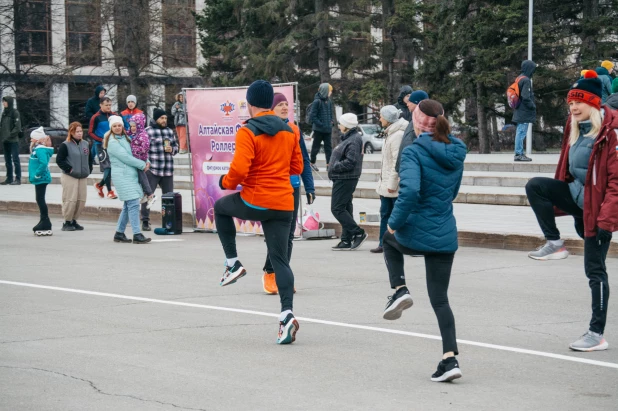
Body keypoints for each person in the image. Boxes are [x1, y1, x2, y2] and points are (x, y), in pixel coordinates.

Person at [525, 70, 618, 352]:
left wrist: (606, 221)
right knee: (536, 186)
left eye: (578, 102)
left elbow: (616, 182)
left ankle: (596, 333)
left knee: (595, 272)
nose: (573, 107)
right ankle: (554, 243)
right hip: (579, 203)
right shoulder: (576, 128)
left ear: (593, 103)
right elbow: (569, 171)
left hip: (598, 213)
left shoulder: (610, 133)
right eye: (570, 103)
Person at [382, 99, 466, 382]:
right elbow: (452, 192)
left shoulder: (413, 151)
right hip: (445, 232)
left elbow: (410, 193)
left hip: (416, 230)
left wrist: (393, 225)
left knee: (388, 240)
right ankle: (450, 359)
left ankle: (400, 288)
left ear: (417, 123)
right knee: (440, 300)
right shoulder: (456, 150)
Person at [214, 80, 303, 344]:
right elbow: (296, 167)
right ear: (270, 103)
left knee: (220, 208)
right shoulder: (290, 131)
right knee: (280, 261)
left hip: (256, 200)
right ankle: (286, 315)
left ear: (251, 104)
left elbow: (239, 170)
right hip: (284, 202)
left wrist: (225, 183)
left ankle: (233, 263)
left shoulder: (247, 131)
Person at [262, 93, 315, 295]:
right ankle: (269, 272)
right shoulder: (265, 129)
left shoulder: (294, 129)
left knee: (289, 235)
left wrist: (309, 187)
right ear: (271, 108)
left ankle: (282, 275)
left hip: (291, 187)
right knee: (276, 235)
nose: (285, 107)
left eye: (287, 104)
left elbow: (304, 159)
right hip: (272, 186)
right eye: (280, 104)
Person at [104, 115, 151, 244]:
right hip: (122, 176)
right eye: (115, 126)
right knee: (134, 203)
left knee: (128, 205)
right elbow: (126, 157)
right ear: (111, 128)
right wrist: (142, 165)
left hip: (131, 174)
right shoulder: (113, 142)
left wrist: (146, 161)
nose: (117, 128)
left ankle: (119, 233)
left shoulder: (127, 138)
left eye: (119, 125)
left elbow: (137, 152)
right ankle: (137, 234)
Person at [371, 106, 408, 254]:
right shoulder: (391, 133)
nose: (380, 119)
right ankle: (384, 242)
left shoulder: (397, 135)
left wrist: (392, 184)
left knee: (391, 215)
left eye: (381, 116)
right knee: (385, 213)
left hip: (391, 186)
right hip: (386, 184)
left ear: (388, 118)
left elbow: (396, 162)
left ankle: (389, 243)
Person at [329, 113, 367, 251]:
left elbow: (351, 161)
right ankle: (346, 239)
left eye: (340, 123)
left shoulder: (354, 139)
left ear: (346, 125)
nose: (339, 125)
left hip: (345, 178)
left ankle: (358, 232)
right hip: (343, 177)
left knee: (337, 208)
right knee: (345, 207)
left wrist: (334, 166)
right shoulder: (350, 138)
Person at [140, 108, 178, 231]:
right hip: (153, 170)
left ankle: (169, 221)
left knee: (169, 198)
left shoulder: (169, 131)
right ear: (156, 119)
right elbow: (142, 150)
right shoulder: (147, 132)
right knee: (148, 196)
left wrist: (172, 149)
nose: (164, 120)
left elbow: (176, 147)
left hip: (167, 169)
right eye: (162, 118)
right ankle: (145, 221)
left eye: (165, 118)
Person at [56, 122, 93, 231]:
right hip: (70, 176)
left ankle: (74, 220)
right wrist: (69, 169)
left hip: (82, 176)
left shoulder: (85, 144)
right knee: (70, 199)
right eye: (77, 131)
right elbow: (59, 160)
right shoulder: (65, 145)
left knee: (81, 200)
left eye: (81, 131)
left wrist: (88, 169)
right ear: (71, 132)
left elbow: (89, 159)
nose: (79, 133)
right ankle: (67, 221)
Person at [89, 97, 118, 199]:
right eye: (106, 105)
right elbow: (90, 132)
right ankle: (110, 191)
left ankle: (100, 185)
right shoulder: (95, 117)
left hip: (113, 144)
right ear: (100, 105)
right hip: (100, 145)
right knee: (107, 166)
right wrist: (101, 139)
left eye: (110, 105)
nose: (108, 107)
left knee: (111, 167)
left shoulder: (114, 115)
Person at [28, 127, 54, 236]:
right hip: (40, 178)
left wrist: (37, 174)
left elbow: (43, 163)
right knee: (39, 199)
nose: (31, 141)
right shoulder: (38, 149)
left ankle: (46, 222)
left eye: (32, 139)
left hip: (41, 178)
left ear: (37, 139)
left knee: (40, 199)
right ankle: (43, 220)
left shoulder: (40, 149)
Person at [395, 90, 428, 173]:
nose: (407, 104)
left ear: (417, 103)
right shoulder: (413, 120)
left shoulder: (423, 123)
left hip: (412, 170)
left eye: (410, 101)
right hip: (406, 168)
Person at [127, 113, 156, 208]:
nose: (132, 128)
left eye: (134, 126)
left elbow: (145, 147)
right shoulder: (134, 133)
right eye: (131, 126)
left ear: (139, 125)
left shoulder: (143, 135)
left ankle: (150, 195)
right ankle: (145, 194)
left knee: (142, 176)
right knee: (140, 177)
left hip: (140, 158)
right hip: (137, 158)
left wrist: (133, 150)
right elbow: (127, 134)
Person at [512, 60, 537, 162]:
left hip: (519, 109)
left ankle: (519, 153)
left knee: (520, 131)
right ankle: (519, 154)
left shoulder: (519, 78)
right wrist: (533, 106)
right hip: (524, 111)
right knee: (521, 132)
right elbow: (525, 97)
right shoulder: (526, 80)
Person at [309, 83, 334, 171]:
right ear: (325, 91)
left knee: (328, 147)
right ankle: (312, 163)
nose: (330, 92)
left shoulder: (329, 101)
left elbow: (330, 114)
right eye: (330, 90)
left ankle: (329, 164)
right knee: (316, 147)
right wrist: (320, 124)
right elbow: (313, 116)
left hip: (327, 129)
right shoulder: (317, 101)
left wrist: (331, 122)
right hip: (319, 129)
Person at [0, 96, 22, 185]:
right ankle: (9, 178)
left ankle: (18, 178)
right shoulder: (4, 113)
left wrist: (9, 135)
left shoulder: (15, 112)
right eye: (3, 102)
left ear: (9, 102)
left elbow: (17, 127)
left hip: (13, 140)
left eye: (5, 101)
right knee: (7, 160)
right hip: (5, 141)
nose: (3, 103)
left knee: (15, 159)